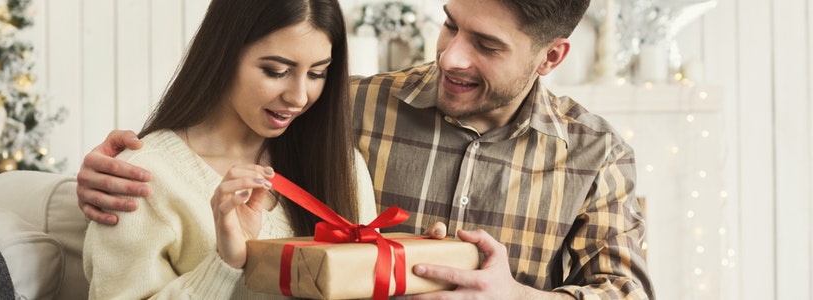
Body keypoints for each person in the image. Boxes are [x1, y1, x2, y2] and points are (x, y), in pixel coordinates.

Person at [78, 0, 656, 298]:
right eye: (450, 25)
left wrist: (513, 296)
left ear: (551, 57)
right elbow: (189, 159)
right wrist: (100, 174)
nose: (451, 56)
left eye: (484, 44)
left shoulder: (595, 155)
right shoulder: (340, 112)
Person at [80, 0, 380, 298]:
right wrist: (225, 265)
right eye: (276, 71)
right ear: (223, 54)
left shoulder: (342, 166)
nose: (299, 97)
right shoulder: (143, 177)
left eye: (317, 74)